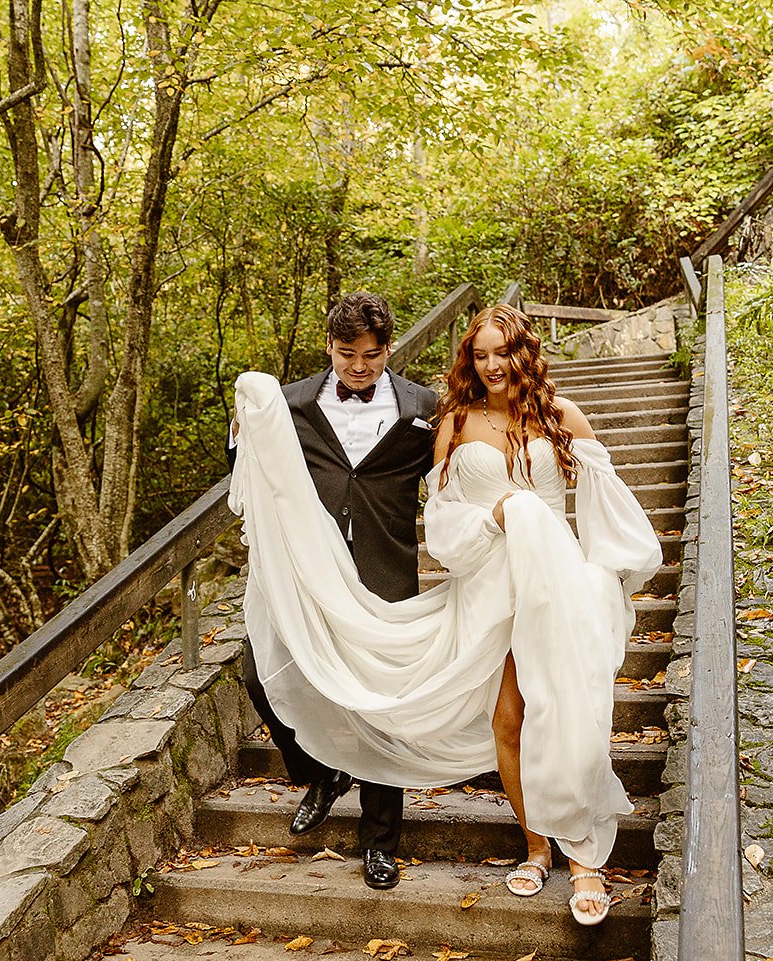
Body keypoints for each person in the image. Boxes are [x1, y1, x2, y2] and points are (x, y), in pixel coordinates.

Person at [229, 304, 661, 923]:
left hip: (558, 583)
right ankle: (537, 847)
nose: (491, 366)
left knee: (562, 707)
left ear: (525, 353)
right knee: (507, 719)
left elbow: (607, 501)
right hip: (489, 583)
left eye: (503, 353)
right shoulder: (453, 420)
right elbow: (443, 516)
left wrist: (605, 573)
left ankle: (583, 857)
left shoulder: (557, 415)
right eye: (480, 354)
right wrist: (495, 516)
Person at [230, 291, 438, 890]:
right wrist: (240, 431)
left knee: (379, 706)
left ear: (388, 348)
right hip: (306, 574)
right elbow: (249, 462)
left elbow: (456, 469)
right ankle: (320, 773)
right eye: (348, 354)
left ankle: (379, 842)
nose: (359, 367)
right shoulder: (291, 404)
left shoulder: (423, 407)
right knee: (257, 675)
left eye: (371, 356)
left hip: (384, 574)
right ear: (329, 346)